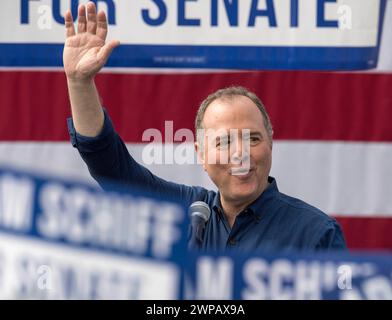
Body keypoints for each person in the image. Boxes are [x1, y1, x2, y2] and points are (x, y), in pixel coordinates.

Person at [64, 2, 346, 252]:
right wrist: (79, 83)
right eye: (224, 142)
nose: (240, 154)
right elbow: (110, 167)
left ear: (271, 144)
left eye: (253, 138)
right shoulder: (182, 214)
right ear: (201, 154)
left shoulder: (316, 234)